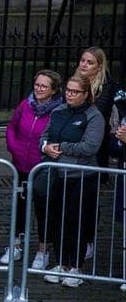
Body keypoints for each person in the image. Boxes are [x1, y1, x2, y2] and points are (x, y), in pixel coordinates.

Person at [38, 72, 105, 288]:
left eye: (75, 92)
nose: (70, 95)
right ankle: (61, 262)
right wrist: (46, 147)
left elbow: (90, 146)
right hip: (59, 173)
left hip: (83, 176)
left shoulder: (93, 116)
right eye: (68, 90)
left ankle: (75, 265)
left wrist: (64, 148)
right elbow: (45, 136)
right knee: (58, 219)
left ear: (86, 94)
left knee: (77, 221)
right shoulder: (58, 111)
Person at [2, 69, 63, 267]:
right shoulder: (25, 105)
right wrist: (13, 146)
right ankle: (16, 245)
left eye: (44, 86)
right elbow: (12, 127)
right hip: (21, 164)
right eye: (37, 84)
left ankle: (42, 250)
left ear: (53, 90)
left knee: (43, 209)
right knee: (19, 206)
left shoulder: (59, 111)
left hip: (43, 166)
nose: (39, 89)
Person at [75, 47, 118, 167]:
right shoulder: (74, 81)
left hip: (94, 140)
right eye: (82, 60)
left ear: (99, 66)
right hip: (74, 137)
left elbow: (97, 113)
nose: (84, 64)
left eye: (90, 62)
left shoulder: (106, 86)